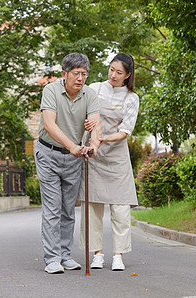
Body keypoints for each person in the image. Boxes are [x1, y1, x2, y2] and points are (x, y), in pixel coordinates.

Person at [34, 53, 101, 274]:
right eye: (76, 73)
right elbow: (49, 124)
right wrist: (72, 145)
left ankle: (65, 255)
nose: (80, 78)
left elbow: (95, 124)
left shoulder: (89, 95)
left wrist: (93, 146)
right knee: (53, 207)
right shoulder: (51, 91)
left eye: (84, 74)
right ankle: (52, 258)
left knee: (68, 209)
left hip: (75, 158)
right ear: (64, 74)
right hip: (48, 153)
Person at [78, 53, 139, 271]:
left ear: (128, 75)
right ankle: (97, 254)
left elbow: (125, 131)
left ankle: (118, 256)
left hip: (117, 156)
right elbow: (83, 114)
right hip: (94, 155)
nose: (113, 75)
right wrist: (89, 132)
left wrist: (103, 138)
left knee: (121, 209)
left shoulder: (131, 98)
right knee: (92, 207)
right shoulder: (94, 88)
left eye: (119, 72)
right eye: (111, 69)